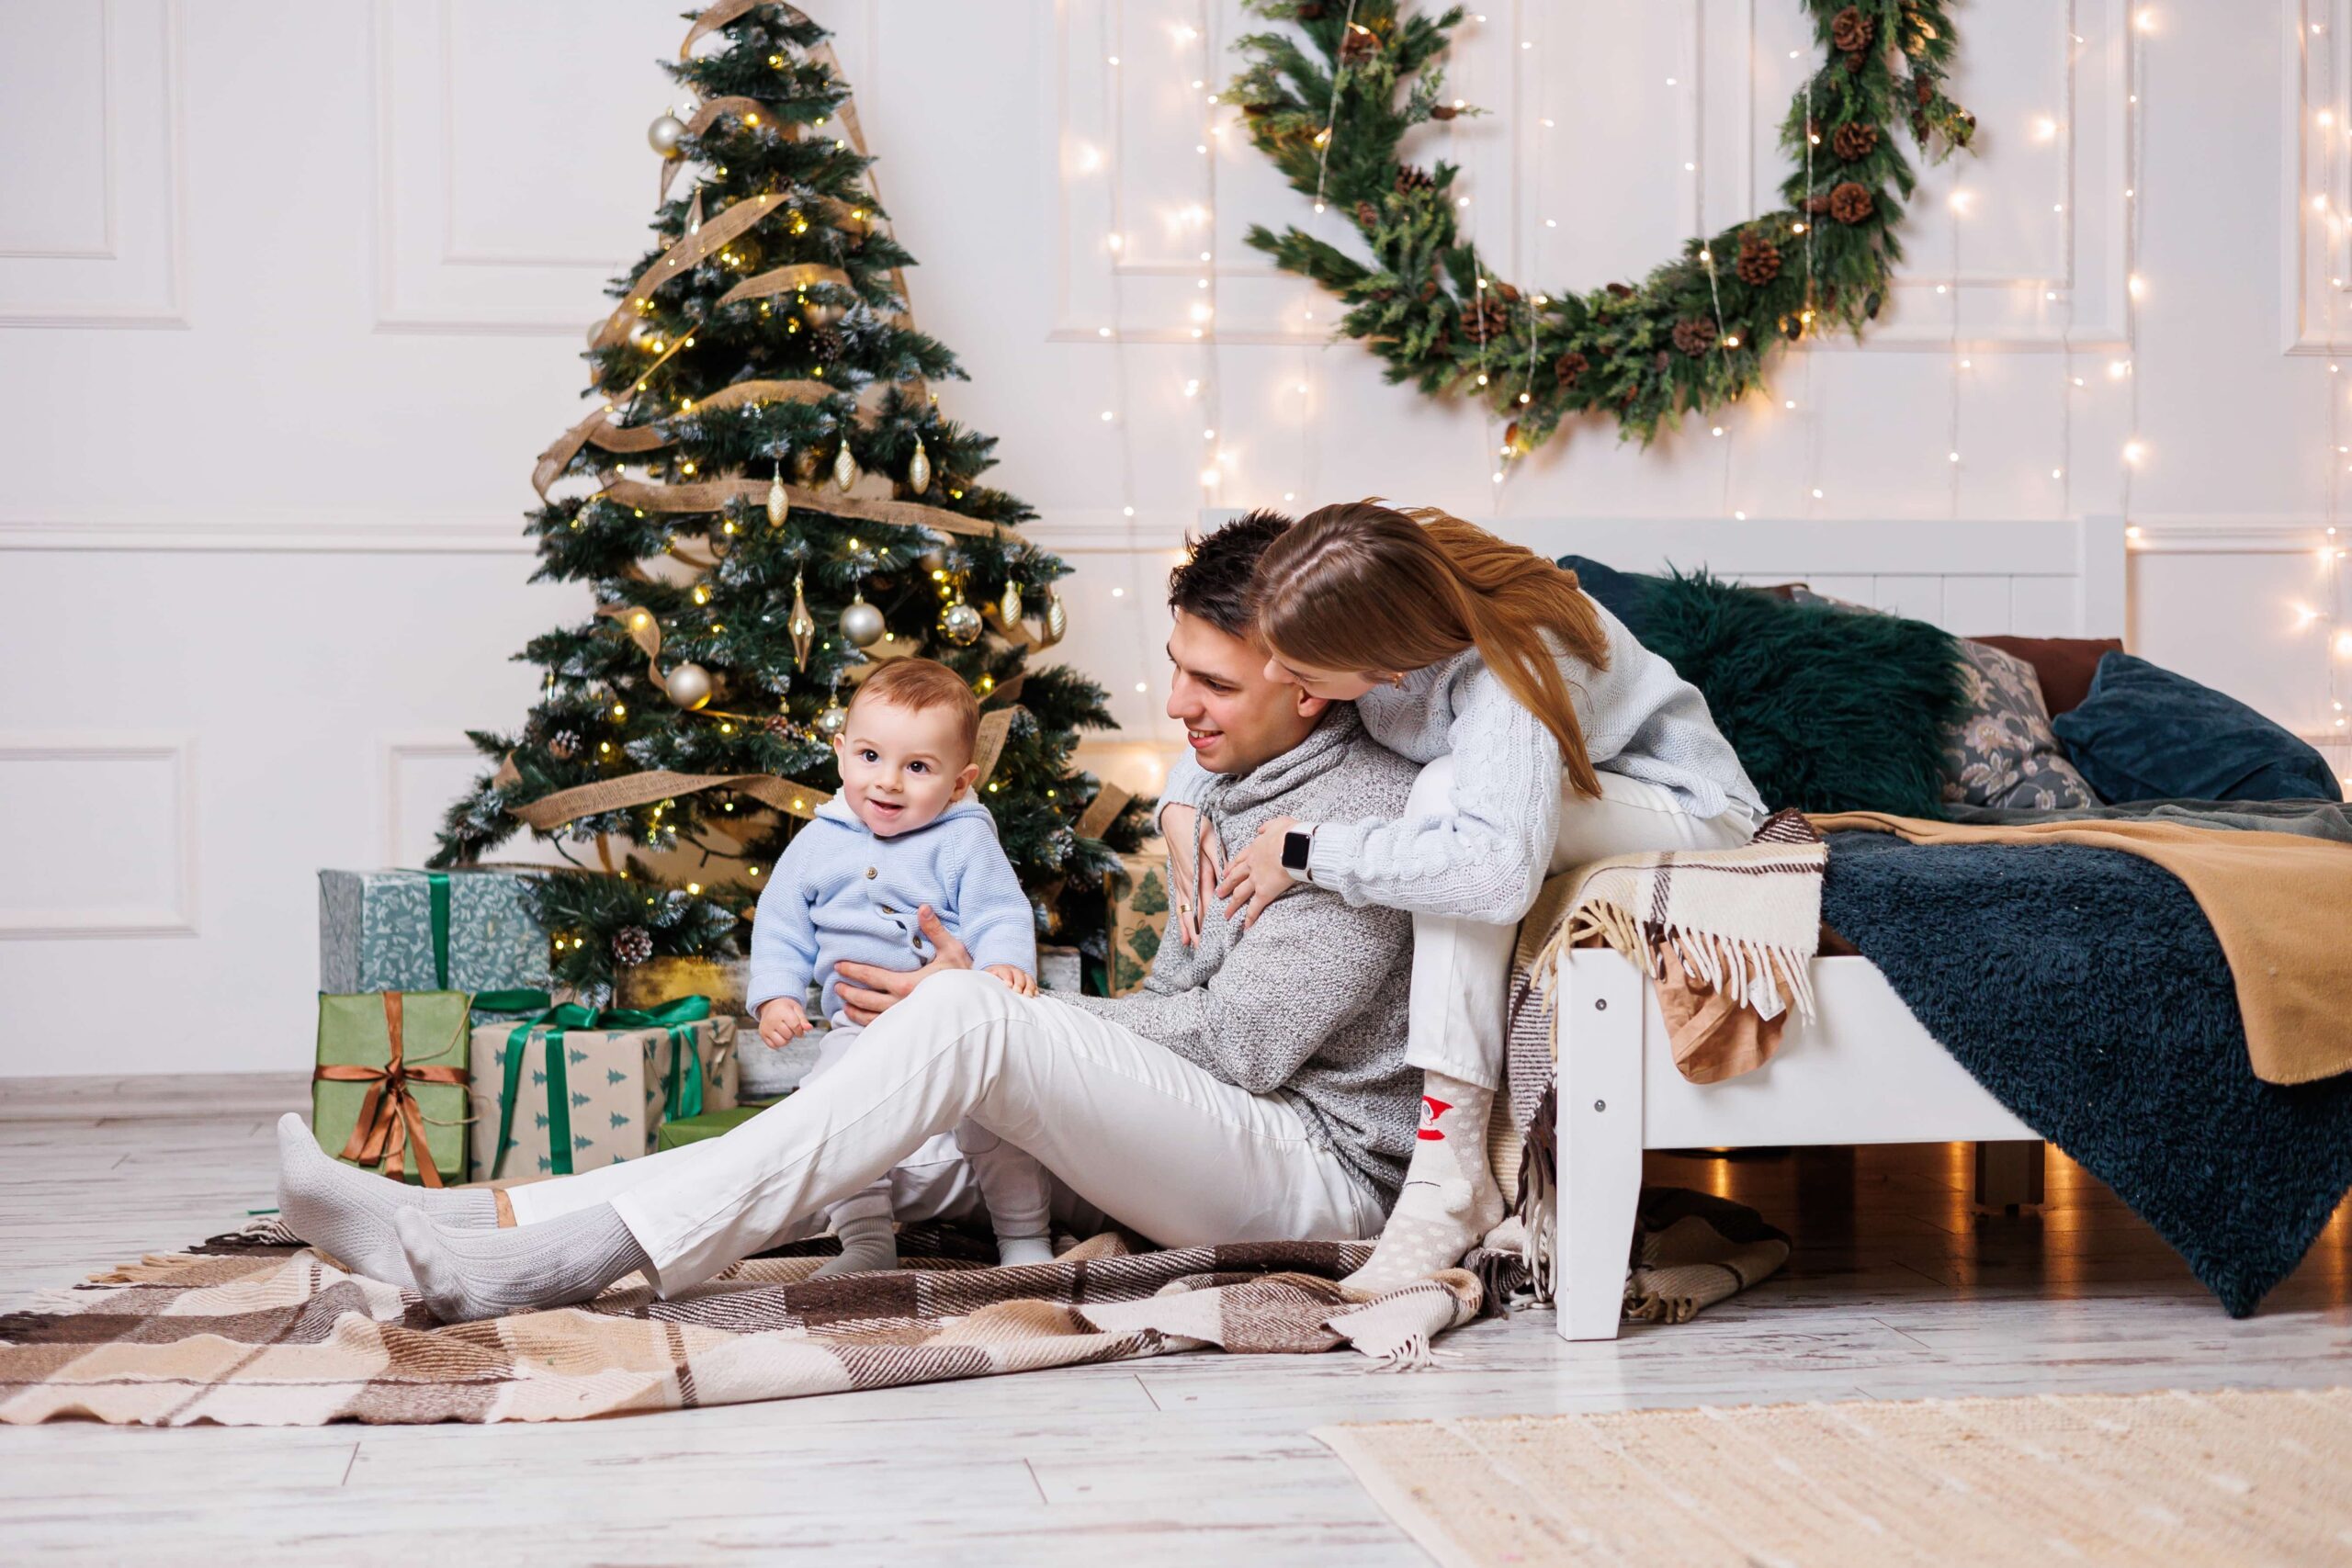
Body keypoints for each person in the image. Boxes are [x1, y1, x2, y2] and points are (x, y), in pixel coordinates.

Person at [269, 511, 1424, 1322]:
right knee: (858, 1146)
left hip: (1312, 1172)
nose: (1176, 706)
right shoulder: (1218, 791)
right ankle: (476, 1222)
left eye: (1211, 687)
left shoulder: (1361, 817)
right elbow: (1180, 1006)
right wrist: (1000, 1019)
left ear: (1313, 678)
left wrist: (1001, 1010)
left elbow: (1240, 1047)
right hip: (1204, 1128)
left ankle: (553, 1266)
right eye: (1177, 668)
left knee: (963, 1026)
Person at [1156, 501, 1765, 1295]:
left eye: (1299, 673)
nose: (1278, 677)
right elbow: (1235, 631)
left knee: (1446, 797)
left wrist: (1308, 850)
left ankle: (1447, 1167)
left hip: (1685, 809)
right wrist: (1179, 798)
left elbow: (1495, 870)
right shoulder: (1357, 569)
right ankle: (1449, 1176)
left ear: (1385, 666)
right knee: (1449, 799)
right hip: (1535, 795)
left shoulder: (1508, 669)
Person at [747, 657, 1049, 1276]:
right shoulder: (819, 841)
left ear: (960, 782)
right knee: (831, 1122)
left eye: (916, 767)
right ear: (840, 751)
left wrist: (1005, 965)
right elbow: (780, 921)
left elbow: (999, 912)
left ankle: (1023, 1238)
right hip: (857, 1028)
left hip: (954, 1026)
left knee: (995, 1121)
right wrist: (777, 995)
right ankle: (865, 1241)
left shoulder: (963, 838)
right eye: (869, 757)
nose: (886, 782)